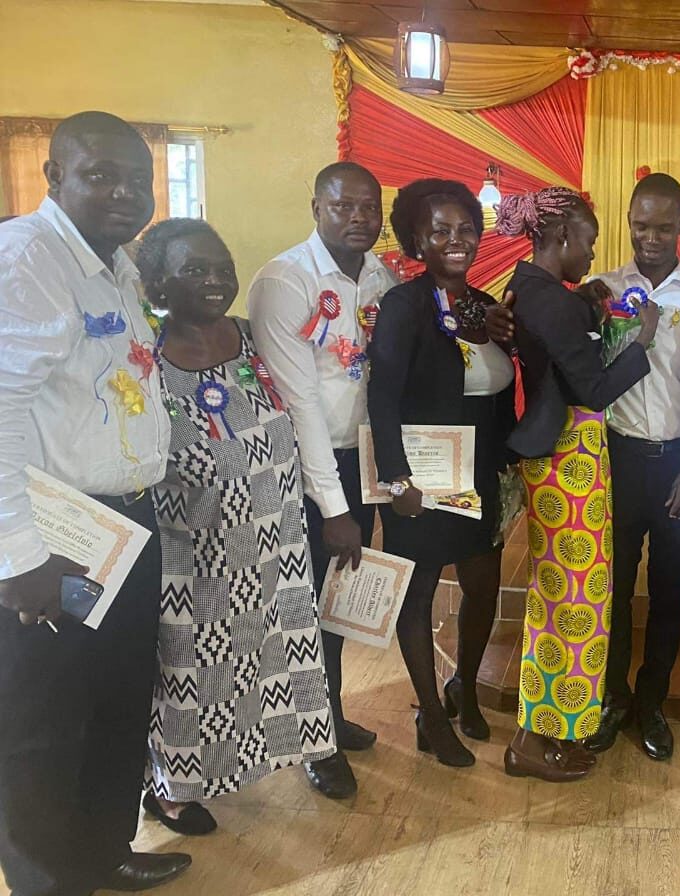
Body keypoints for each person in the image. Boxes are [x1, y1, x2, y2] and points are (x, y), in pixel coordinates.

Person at [0, 112, 190, 896]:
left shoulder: (113, 265)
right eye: (99, 175)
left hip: (122, 526)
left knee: (116, 696)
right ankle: (49, 880)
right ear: (54, 177)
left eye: (136, 180)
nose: (123, 193)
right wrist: (20, 556)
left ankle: (106, 847)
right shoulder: (26, 260)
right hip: (55, 532)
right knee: (46, 715)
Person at [137, 219, 337, 834]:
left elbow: (301, 411)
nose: (214, 280)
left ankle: (247, 765)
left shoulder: (253, 341)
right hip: (190, 560)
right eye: (193, 270)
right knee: (190, 677)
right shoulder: (145, 359)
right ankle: (169, 790)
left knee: (268, 664)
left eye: (221, 266)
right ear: (157, 285)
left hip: (277, 548)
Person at [496, 187, 658, 782]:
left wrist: (588, 305)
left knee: (559, 596)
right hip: (568, 459)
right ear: (561, 237)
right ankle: (539, 737)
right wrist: (642, 338)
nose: (593, 254)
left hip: (562, 459)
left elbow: (557, 354)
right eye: (588, 242)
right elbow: (592, 389)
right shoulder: (552, 302)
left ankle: (547, 729)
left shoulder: (528, 289)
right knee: (576, 602)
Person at [247, 162, 398, 799]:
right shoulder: (286, 280)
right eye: (344, 207)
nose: (360, 217)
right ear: (316, 208)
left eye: (370, 207)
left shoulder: (380, 277)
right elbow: (300, 401)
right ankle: (315, 743)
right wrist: (333, 505)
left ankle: (329, 715)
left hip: (360, 460)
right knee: (306, 607)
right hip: (307, 469)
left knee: (338, 602)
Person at [366, 179, 516, 767]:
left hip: (480, 469)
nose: (457, 241)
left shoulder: (483, 303)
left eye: (466, 229)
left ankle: (466, 688)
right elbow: (383, 397)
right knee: (420, 592)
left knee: (482, 587)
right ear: (417, 241)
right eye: (441, 231)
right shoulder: (403, 306)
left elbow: (499, 380)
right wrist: (398, 479)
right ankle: (431, 713)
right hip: (424, 474)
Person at [575, 173, 680, 761]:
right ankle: (613, 698)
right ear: (627, 221)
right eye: (640, 225)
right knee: (612, 590)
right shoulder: (600, 290)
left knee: (669, 594)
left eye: (663, 226)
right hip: (619, 460)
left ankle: (651, 703)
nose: (650, 238)